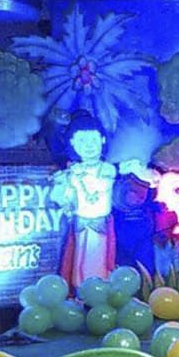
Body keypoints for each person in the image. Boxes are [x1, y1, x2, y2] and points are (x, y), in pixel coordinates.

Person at [52, 112, 117, 286]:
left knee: (97, 262)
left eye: (93, 140)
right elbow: (59, 198)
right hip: (80, 223)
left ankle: (96, 291)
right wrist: (61, 183)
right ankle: (78, 293)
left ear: (102, 140)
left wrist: (78, 176)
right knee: (78, 263)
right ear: (72, 143)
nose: (89, 146)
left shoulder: (107, 169)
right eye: (82, 141)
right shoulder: (72, 172)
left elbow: (101, 185)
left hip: (99, 223)